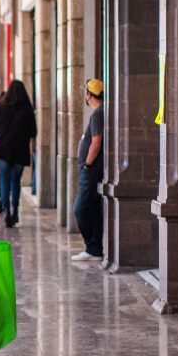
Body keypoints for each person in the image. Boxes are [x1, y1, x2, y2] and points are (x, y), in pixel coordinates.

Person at [0, 79, 37, 228]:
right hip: (20, 151)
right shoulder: (28, 109)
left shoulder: (1, 106)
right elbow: (33, 132)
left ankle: (7, 210)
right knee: (16, 181)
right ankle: (15, 210)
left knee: (4, 180)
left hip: (3, 150)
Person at [72, 79, 106, 261]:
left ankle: (92, 247)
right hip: (92, 170)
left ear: (89, 95)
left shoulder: (98, 114)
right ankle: (95, 248)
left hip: (91, 171)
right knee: (93, 209)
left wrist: (87, 164)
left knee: (79, 208)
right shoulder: (100, 112)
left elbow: (96, 141)